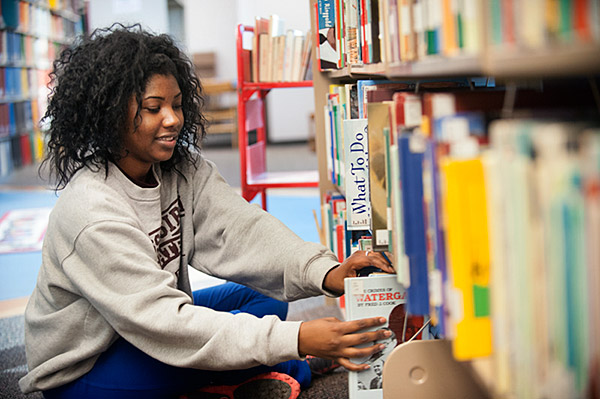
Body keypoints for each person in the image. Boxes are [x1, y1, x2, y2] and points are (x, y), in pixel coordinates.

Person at [18, 24, 394, 399]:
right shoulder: (91, 211)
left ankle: (236, 375)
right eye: (154, 108)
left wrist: (325, 272)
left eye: (177, 104)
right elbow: (165, 325)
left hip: (155, 321)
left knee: (266, 298)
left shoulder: (182, 170)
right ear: (110, 115)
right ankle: (287, 368)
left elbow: (244, 233)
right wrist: (297, 339)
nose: (173, 119)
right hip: (88, 361)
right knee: (239, 348)